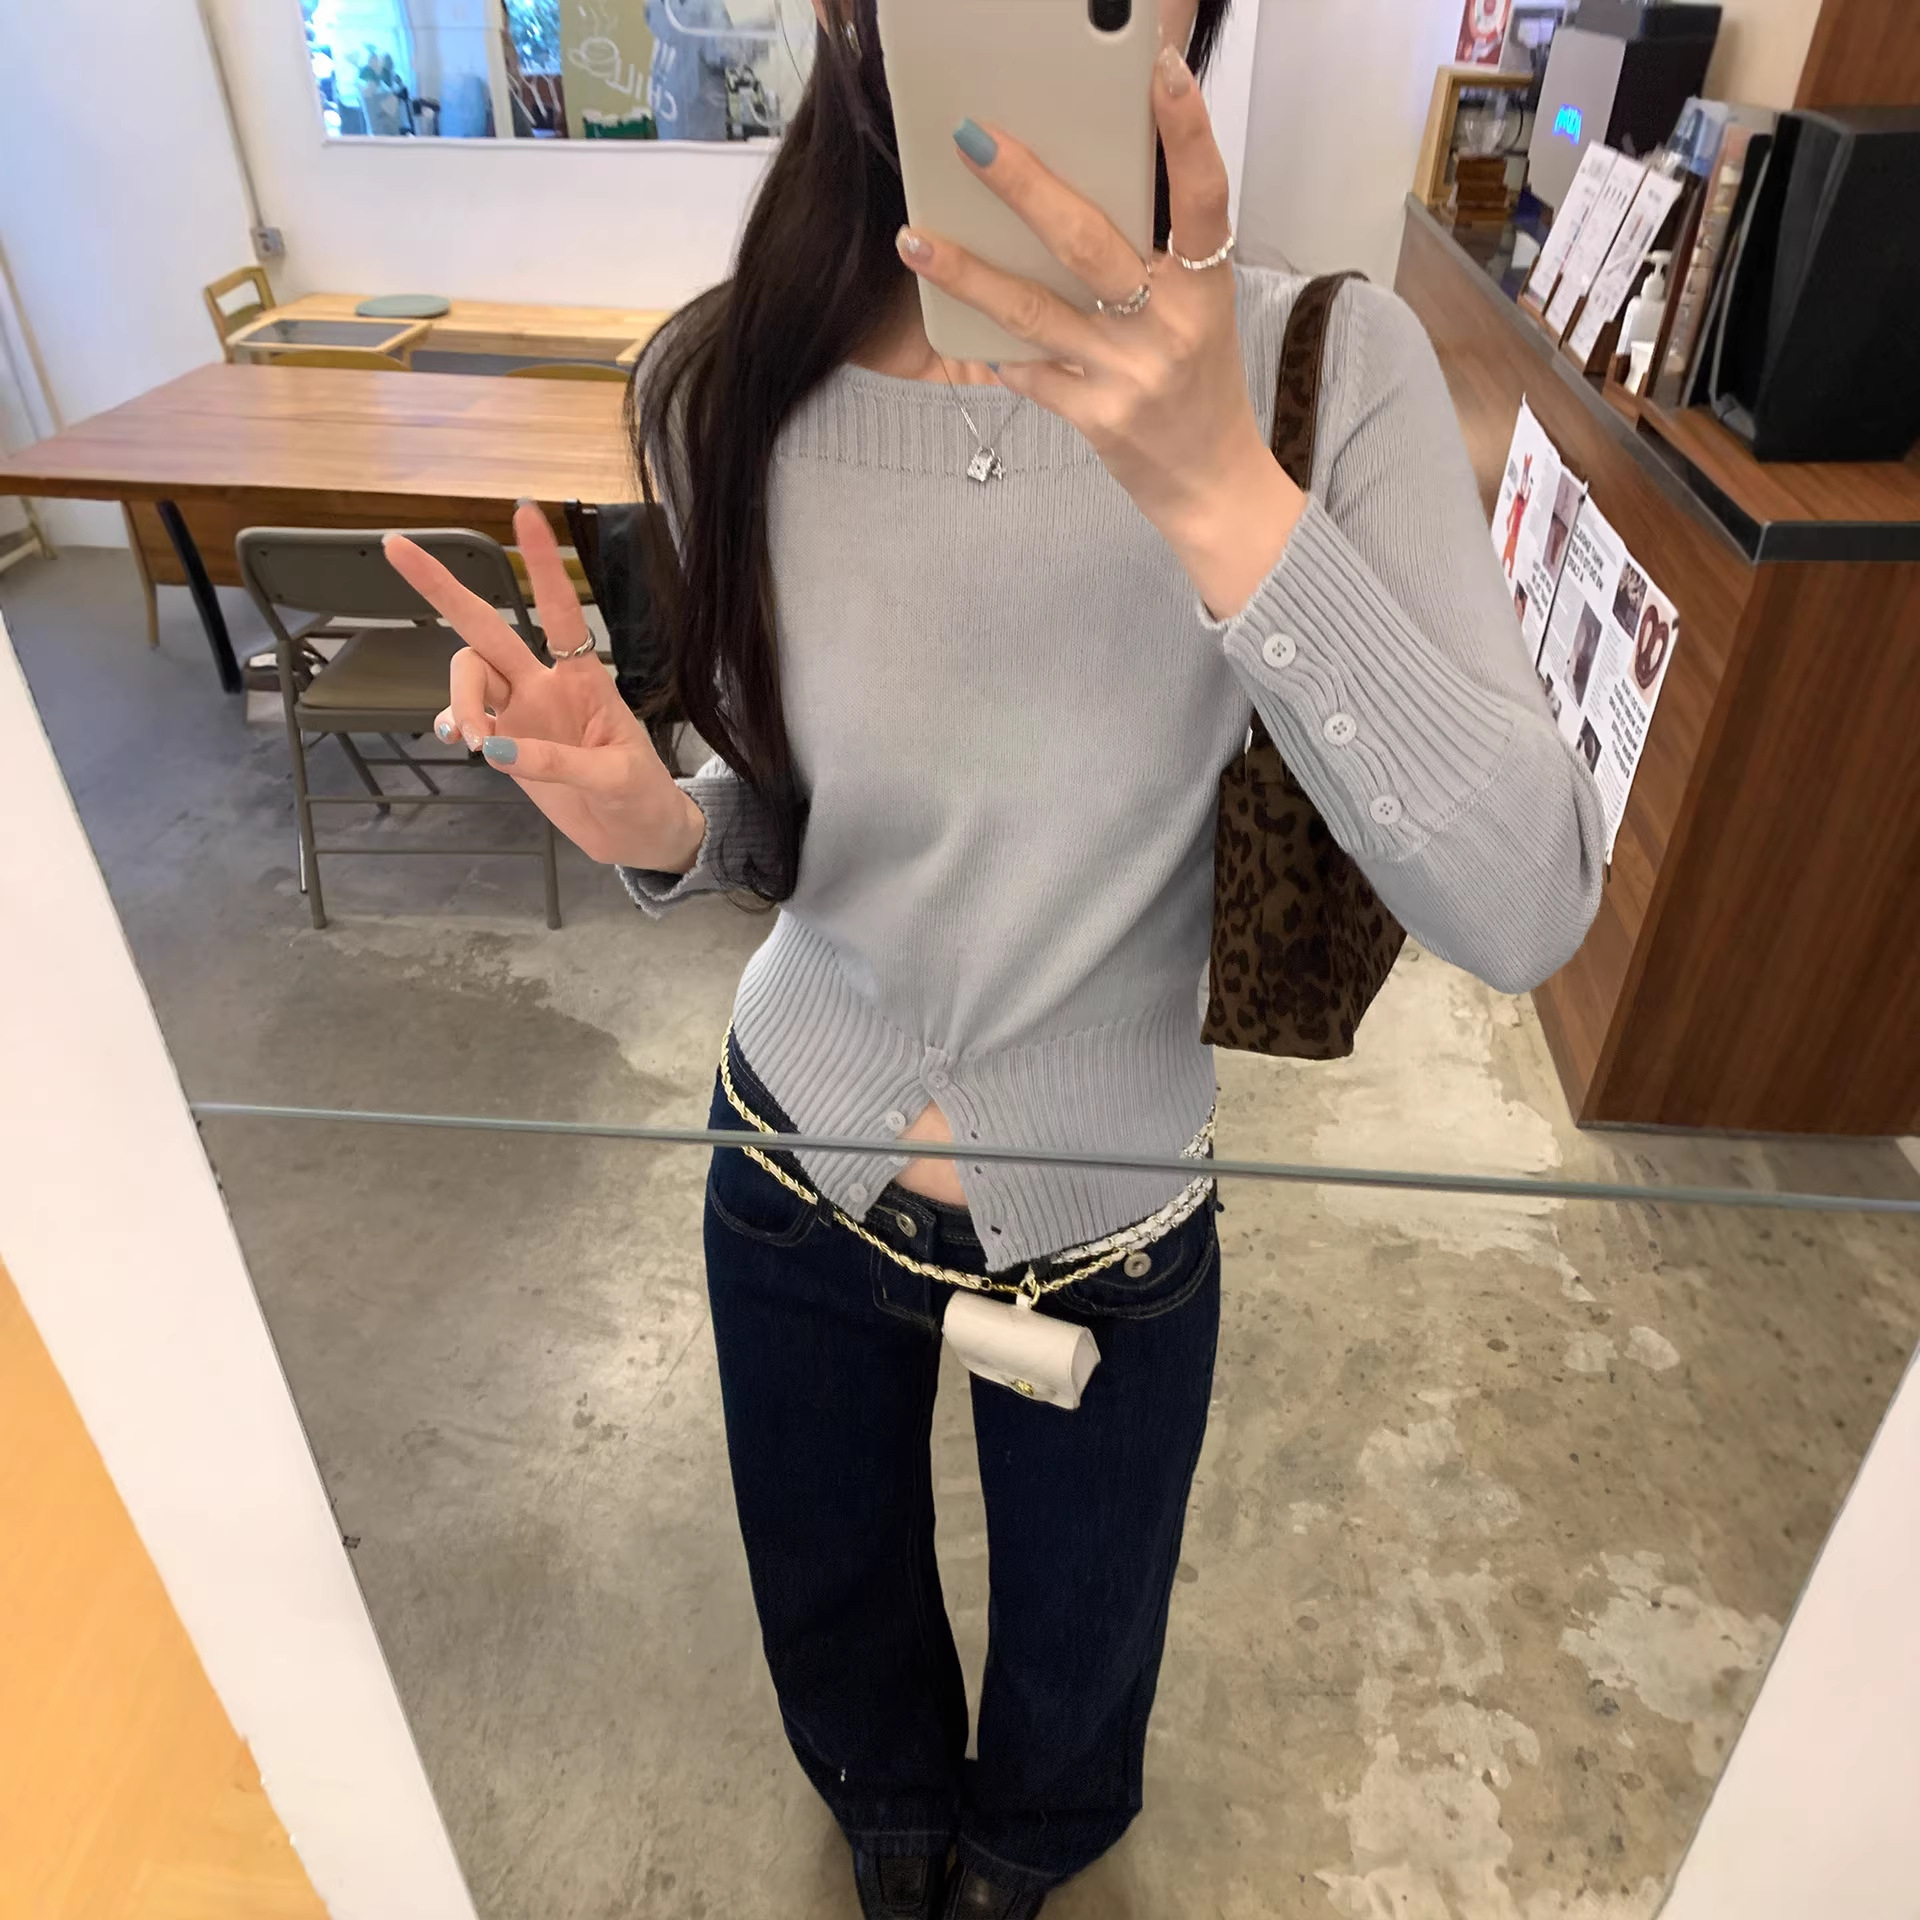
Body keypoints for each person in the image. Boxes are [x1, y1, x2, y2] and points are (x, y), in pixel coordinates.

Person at [384, 2, 1606, 1912]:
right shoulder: (731, 376)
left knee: (1079, 1672)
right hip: (788, 1171)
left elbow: (1527, 905)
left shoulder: (1320, 362)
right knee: (835, 1625)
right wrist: (662, 825)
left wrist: (1223, 493)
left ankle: (1024, 1858)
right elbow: (792, 820)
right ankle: (888, 1829)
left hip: (1109, 1226)